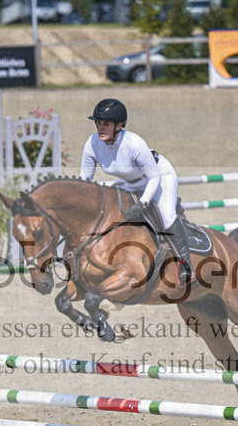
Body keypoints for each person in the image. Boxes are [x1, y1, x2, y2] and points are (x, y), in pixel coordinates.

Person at [79, 98, 193, 286]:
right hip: (128, 182)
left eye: (106, 124)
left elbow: (154, 178)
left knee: (166, 216)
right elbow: (85, 182)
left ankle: (185, 265)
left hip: (158, 177)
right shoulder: (92, 144)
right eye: (98, 123)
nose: (100, 128)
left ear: (119, 125)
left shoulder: (134, 143)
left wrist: (142, 203)